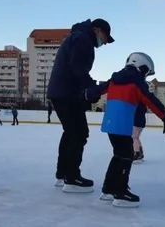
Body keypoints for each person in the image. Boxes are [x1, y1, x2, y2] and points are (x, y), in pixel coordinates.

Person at [85, 52, 165, 208]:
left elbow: (96, 90)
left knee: (118, 155)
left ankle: (108, 190)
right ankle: (120, 193)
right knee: (126, 156)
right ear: (142, 67)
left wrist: (84, 96)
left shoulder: (115, 79)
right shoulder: (136, 82)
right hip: (123, 124)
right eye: (146, 72)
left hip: (110, 124)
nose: (145, 76)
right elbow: (150, 100)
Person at [47, 18, 115, 193]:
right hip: (67, 93)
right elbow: (77, 69)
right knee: (79, 133)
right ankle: (72, 177)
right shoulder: (83, 39)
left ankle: (62, 174)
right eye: (106, 38)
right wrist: (91, 88)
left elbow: (76, 69)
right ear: (98, 30)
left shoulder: (77, 37)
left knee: (71, 132)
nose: (104, 43)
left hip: (61, 92)